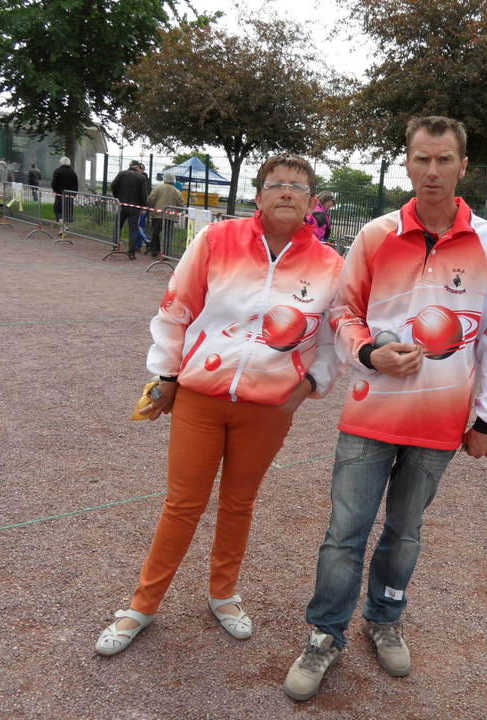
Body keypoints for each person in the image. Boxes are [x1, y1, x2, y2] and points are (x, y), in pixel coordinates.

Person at [282, 116, 487, 702]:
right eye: (422, 159)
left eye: (444, 160)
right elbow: (343, 311)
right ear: (407, 164)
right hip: (372, 412)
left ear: (463, 166)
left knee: (405, 532)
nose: (432, 171)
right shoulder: (377, 235)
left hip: (441, 419)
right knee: (345, 532)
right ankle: (325, 634)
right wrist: (370, 353)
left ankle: (385, 618)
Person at [94, 154, 344, 657]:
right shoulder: (216, 239)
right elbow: (177, 308)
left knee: (239, 503)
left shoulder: (330, 266)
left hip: (268, 409)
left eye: (298, 186)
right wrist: (167, 374)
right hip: (201, 398)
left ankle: (223, 593)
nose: (286, 192)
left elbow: (333, 340)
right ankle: (142, 605)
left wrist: (307, 387)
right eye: (276, 184)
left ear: (312, 202)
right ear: (259, 195)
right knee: (182, 503)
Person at [111, 160, 149, 259]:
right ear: (137, 167)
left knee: (118, 225)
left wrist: (117, 197)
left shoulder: (122, 174)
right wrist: (143, 205)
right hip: (135, 207)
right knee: (133, 229)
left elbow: (113, 185)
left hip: (122, 205)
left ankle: (114, 245)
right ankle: (131, 252)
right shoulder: (141, 177)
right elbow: (144, 194)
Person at [145, 172, 184, 257]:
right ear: (173, 180)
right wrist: (175, 212)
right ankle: (166, 253)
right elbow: (181, 206)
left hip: (157, 215)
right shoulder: (177, 191)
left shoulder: (158, 188)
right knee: (168, 235)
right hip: (170, 217)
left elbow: (151, 199)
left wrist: (151, 208)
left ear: (164, 179)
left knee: (155, 233)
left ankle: (155, 250)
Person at [51, 156, 78, 223]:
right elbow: (76, 184)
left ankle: (61, 222)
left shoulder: (57, 171)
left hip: (60, 194)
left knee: (58, 209)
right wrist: (74, 194)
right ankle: (67, 224)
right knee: (68, 209)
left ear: (61, 162)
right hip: (70, 195)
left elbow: (54, 183)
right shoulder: (73, 173)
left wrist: (55, 190)